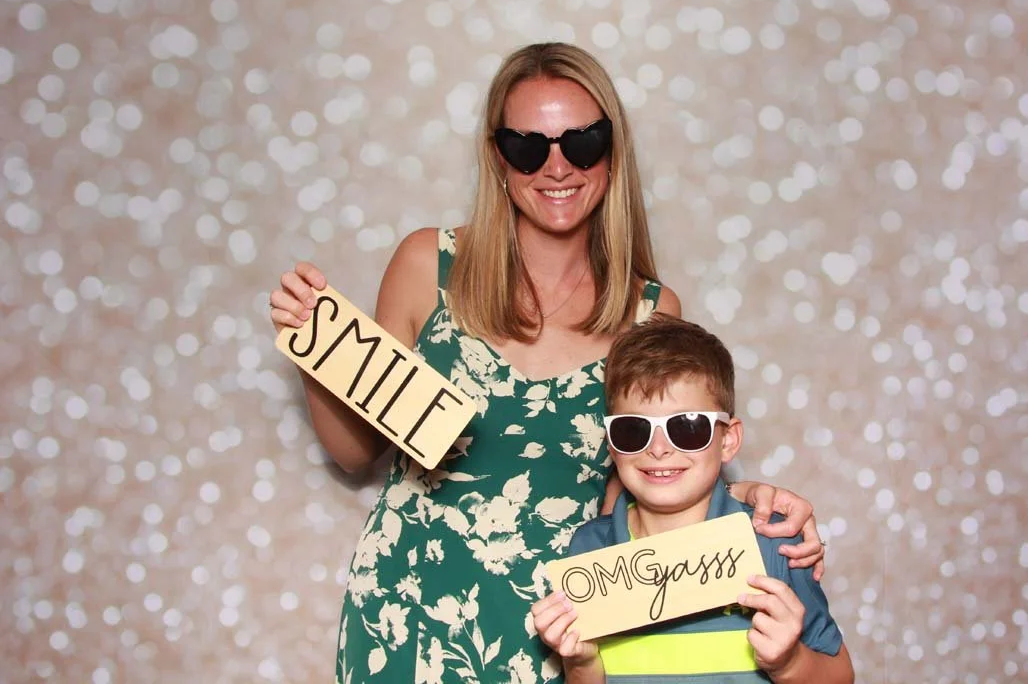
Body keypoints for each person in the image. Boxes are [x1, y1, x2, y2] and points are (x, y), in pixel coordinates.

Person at [268, 42, 828, 683]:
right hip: (409, 607)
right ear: (498, 158)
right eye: (529, 147)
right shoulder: (429, 266)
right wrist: (316, 350)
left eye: (581, 143)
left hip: (563, 626)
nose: (556, 166)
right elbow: (354, 453)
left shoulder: (651, 311)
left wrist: (754, 500)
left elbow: (651, 471)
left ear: (612, 154)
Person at [531, 314, 853, 683]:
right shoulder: (590, 551)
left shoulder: (772, 543)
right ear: (612, 446)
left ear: (728, 440)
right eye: (633, 429)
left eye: (686, 427)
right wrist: (582, 662)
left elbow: (840, 674)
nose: (658, 449)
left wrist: (789, 663)